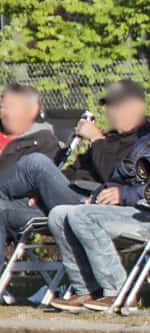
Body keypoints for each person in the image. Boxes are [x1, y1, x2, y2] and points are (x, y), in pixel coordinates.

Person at [44, 88, 150, 313]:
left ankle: (117, 292)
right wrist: (101, 194)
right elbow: (119, 174)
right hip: (133, 211)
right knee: (59, 215)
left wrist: (125, 195)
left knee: (82, 217)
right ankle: (85, 289)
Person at [0, 82, 84, 248]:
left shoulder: (43, 140)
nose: (4, 112)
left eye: (11, 107)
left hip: (19, 201)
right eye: (2, 106)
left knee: (35, 162)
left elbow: (39, 180)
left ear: (31, 110)